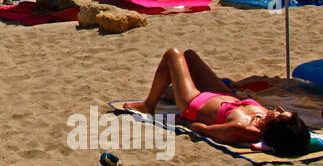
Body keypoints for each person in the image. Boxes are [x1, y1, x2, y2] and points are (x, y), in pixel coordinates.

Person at [128, 49, 312, 156]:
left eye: (280, 114)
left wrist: (185, 121)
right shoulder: (264, 116)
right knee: (189, 55)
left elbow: (202, 129)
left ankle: (148, 105)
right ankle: (169, 92)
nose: (279, 109)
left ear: (274, 127)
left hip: (194, 102)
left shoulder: (244, 129)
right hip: (221, 94)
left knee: (173, 54)